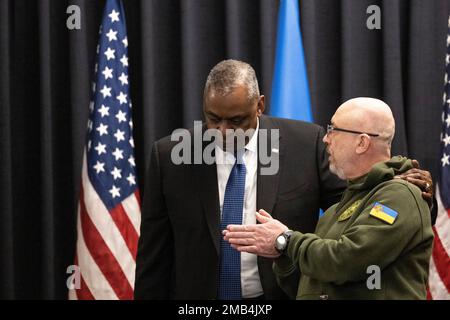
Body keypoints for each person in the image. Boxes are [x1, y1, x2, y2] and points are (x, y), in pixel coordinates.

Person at [134, 60, 434, 299]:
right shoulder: (170, 156)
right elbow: (154, 255)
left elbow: (359, 204)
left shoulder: (306, 143)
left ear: (260, 105)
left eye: (236, 120)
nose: (223, 131)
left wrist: (396, 182)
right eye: (213, 118)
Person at [223, 97, 434, 299]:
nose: (325, 138)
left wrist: (286, 240)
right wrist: (282, 256)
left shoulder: (399, 195)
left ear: (362, 142)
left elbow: (349, 261)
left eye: (333, 130)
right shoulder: (334, 211)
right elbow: (310, 287)